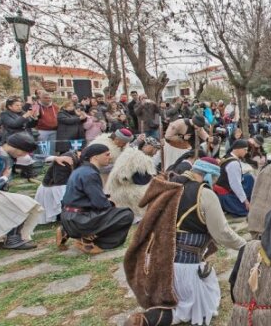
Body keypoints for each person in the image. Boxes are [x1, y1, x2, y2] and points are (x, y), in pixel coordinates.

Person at [124, 159, 247, 326]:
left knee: (200, 293)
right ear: (209, 175)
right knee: (202, 308)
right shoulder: (204, 194)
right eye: (215, 178)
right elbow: (222, 233)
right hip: (184, 267)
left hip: (156, 264)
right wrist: (244, 245)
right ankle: (147, 320)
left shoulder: (167, 185)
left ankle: (161, 307)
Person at [58, 143, 135, 255]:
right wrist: (111, 205)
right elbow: (100, 204)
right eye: (107, 154)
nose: (110, 157)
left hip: (68, 217)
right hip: (79, 220)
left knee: (112, 210)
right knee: (126, 214)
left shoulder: (80, 170)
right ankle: (91, 241)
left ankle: (66, 231)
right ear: (95, 157)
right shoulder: (90, 174)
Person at [105, 137, 160, 219]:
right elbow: (142, 181)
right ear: (147, 146)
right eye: (155, 149)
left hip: (117, 189)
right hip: (128, 191)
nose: (156, 153)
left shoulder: (129, 153)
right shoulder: (142, 159)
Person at [34, 149, 80, 224]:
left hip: (61, 187)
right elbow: (60, 182)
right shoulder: (66, 160)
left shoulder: (78, 159)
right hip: (53, 189)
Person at [213, 139, 253, 217]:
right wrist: (246, 202)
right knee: (247, 211)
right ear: (238, 149)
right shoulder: (233, 163)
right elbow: (235, 185)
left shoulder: (227, 156)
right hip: (225, 194)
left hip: (225, 186)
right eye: (245, 150)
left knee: (249, 177)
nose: (246, 152)